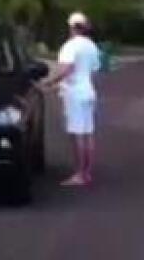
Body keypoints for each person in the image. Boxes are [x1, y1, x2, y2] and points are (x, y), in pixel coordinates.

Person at [44, 11, 101, 186]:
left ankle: (79, 174)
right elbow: (95, 69)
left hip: (75, 93)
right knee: (87, 133)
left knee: (77, 134)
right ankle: (87, 173)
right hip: (88, 91)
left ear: (71, 27)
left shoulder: (70, 46)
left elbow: (66, 69)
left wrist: (49, 82)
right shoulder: (91, 46)